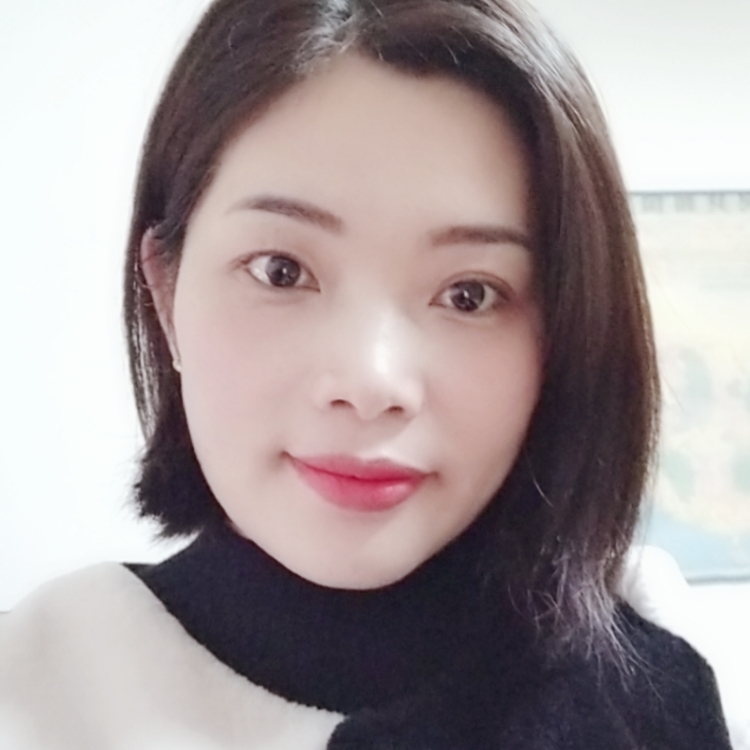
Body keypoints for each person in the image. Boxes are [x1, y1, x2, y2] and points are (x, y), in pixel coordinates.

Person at [0, 0, 733, 748]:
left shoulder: (648, 692)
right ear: (165, 294)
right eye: (281, 271)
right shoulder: (37, 689)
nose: (371, 382)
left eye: (469, 294)